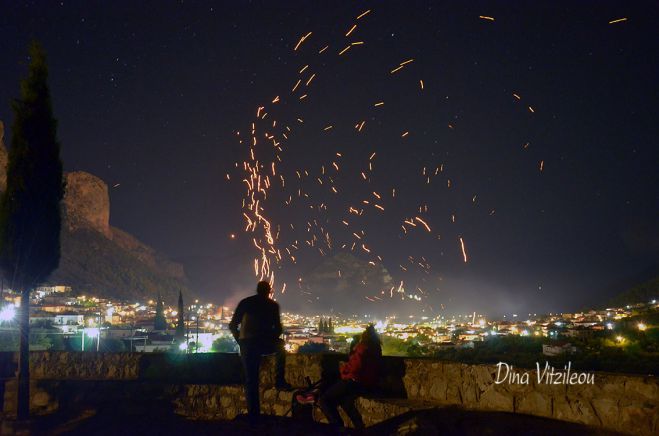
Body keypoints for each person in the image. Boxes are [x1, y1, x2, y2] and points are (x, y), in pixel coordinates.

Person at [229, 281, 291, 424]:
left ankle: (254, 414)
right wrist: (271, 337)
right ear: (269, 291)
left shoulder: (246, 303)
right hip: (263, 343)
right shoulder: (273, 306)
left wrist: (241, 341)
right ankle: (279, 380)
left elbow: (233, 325)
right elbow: (279, 328)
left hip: (248, 345)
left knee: (251, 380)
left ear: (257, 290)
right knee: (280, 347)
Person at [319, 324, 382, 430]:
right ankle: (360, 428)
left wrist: (343, 368)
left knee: (324, 400)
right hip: (367, 383)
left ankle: (337, 427)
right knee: (345, 402)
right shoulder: (376, 349)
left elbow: (355, 368)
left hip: (354, 381)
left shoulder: (362, 348)